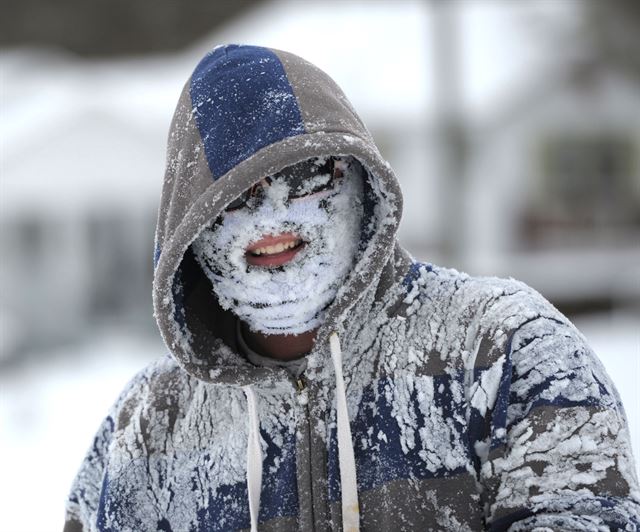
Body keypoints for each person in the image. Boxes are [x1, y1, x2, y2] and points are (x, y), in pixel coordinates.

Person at [64, 44, 640, 532]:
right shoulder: (147, 427)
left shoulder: (506, 352)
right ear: (189, 224)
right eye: (233, 193)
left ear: (361, 180)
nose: (271, 217)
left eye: (304, 174)